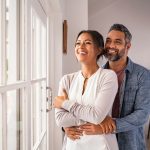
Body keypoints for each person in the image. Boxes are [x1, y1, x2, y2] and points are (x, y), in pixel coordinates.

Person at [64, 24, 150, 150]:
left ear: (128, 46)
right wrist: (66, 126)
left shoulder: (142, 74)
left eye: (117, 42)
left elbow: (142, 114)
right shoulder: (93, 74)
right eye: (108, 41)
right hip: (98, 142)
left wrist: (112, 125)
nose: (110, 46)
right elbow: (79, 106)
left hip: (129, 143)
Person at [53, 30, 119, 150]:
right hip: (73, 145)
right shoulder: (66, 80)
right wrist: (95, 117)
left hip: (101, 145)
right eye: (78, 43)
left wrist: (64, 103)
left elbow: (96, 115)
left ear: (99, 49)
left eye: (87, 43)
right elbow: (60, 120)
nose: (81, 47)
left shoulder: (108, 76)